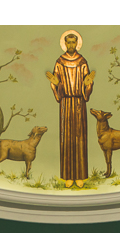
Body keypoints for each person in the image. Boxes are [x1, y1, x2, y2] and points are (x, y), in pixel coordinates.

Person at [46, 30, 94, 188]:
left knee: (80, 139)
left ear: (77, 43)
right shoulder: (60, 61)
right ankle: (68, 176)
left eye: (74, 42)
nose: (71, 45)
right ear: (65, 44)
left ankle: (80, 175)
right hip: (66, 103)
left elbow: (87, 80)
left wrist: (88, 84)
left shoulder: (82, 61)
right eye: (69, 42)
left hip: (79, 103)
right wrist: (55, 83)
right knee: (66, 139)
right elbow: (55, 80)